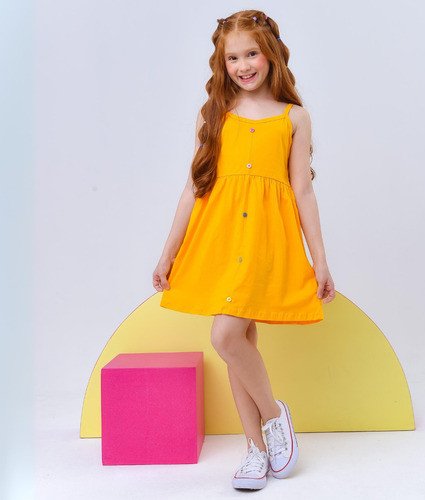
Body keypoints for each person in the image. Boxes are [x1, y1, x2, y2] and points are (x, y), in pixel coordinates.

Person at [152, 9, 335, 491]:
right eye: (232, 58)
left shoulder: (294, 118)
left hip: (265, 243)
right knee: (238, 343)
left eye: (251, 53)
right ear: (222, 62)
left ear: (270, 54)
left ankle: (273, 418)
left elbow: (303, 191)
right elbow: (193, 189)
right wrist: (168, 253)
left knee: (226, 337)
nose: (243, 66)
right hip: (221, 240)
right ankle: (256, 447)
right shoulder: (214, 114)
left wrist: (320, 259)